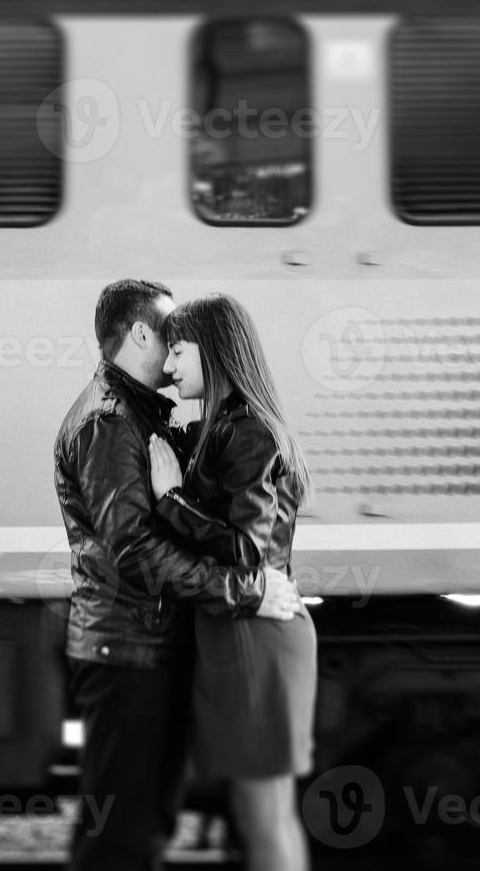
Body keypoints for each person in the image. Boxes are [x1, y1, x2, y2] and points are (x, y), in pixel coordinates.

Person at [54, 279, 304, 871]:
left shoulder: (148, 417)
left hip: (143, 647)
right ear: (139, 332)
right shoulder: (110, 423)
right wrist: (243, 591)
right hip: (127, 650)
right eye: (168, 334)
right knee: (120, 839)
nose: (173, 352)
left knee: (147, 828)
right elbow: (136, 550)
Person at [146, 293, 317, 871]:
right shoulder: (227, 428)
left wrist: (171, 499)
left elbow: (248, 550)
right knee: (258, 810)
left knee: (264, 811)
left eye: (177, 352)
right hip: (241, 630)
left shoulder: (248, 433)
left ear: (215, 351)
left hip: (255, 632)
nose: (168, 369)